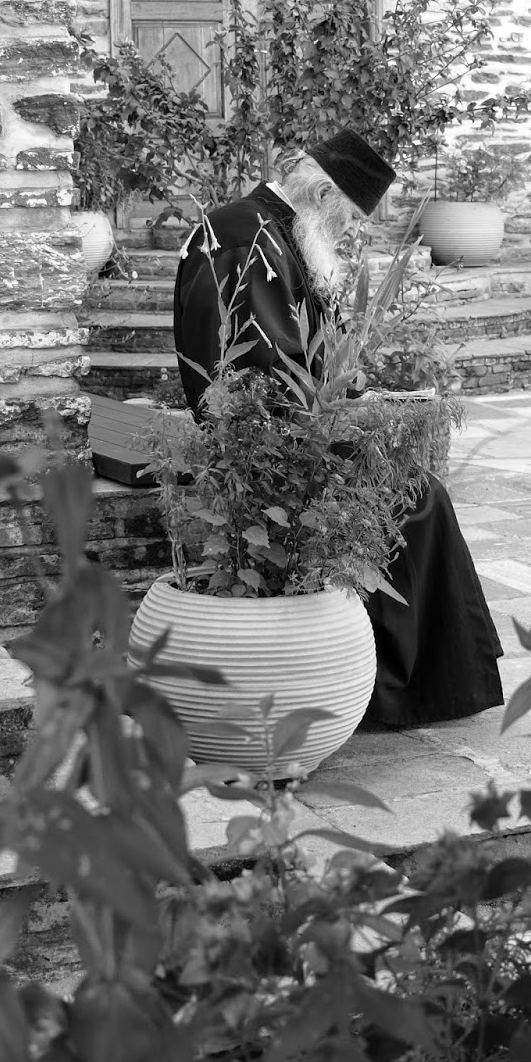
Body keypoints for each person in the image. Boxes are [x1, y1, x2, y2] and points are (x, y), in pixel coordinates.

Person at [172, 128, 504, 727]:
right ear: (324, 198)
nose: (348, 234)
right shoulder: (249, 239)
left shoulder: (276, 231)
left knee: (417, 488)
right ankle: (393, 686)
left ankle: (421, 677)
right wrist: (342, 411)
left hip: (291, 433)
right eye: (350, 219)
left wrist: (355, 394)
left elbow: (301, 357)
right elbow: (260, 377)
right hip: (260, 451)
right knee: (417, 499)